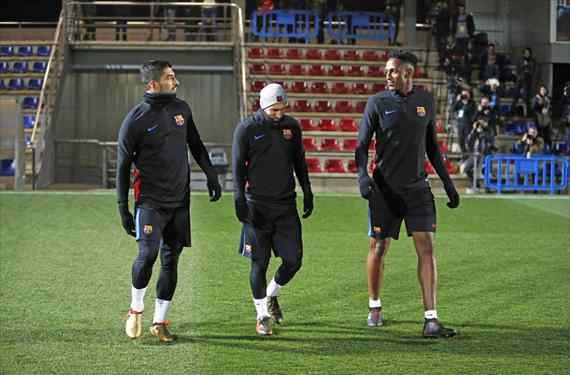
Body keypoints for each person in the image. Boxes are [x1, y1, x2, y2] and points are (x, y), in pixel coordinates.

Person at [355, 51, 460, 338]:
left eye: (393, 71)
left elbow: (433, 148)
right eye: (387, 71)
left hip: (417, 189)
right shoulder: (377, 103)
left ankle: (431, 319)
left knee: (427, 248)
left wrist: (448, 184)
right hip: (384, 190)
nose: (387, 75)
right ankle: (374, 306)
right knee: (378, 247)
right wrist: (363, 176)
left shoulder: (425, 101)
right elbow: (362, 146)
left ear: (408, 73)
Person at [116, 60, 222, 342]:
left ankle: (159, 322)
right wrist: (123, 208)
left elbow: (196, 144)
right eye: (170, 77)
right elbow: (123, 167)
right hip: (150, 202)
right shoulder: (135, 120)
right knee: (147, 255)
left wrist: (211, 174)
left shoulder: (182, 109)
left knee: (170, 261)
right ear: (153, 84)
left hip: (180, 201)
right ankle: (135, 310)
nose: (176, 82)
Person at [232, 83, 314, 336]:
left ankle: (271, 294)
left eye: (282, 109)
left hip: (286, 205)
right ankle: (262, 316)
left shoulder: (292, 127)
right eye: (273, 110)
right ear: (263, 106)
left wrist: (308, 191)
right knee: (259, 262)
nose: (279, 114)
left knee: (293, 260)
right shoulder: (247, 128)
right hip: (257, 206)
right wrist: (238, 199)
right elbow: (237, 166)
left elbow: (299, 161)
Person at [452, 87, 477, 159]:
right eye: (463, 94)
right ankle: (464, 155)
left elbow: (474, 114)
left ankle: (471, 156)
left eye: (466, 94)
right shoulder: (459, 102)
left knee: (468, 141)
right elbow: (453, 109)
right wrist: (457, 100)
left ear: (469, 95)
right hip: (460, 124)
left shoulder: (472, 103)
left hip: (468, 124)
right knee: (461, 141)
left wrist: (466, 104)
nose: (465, 96)